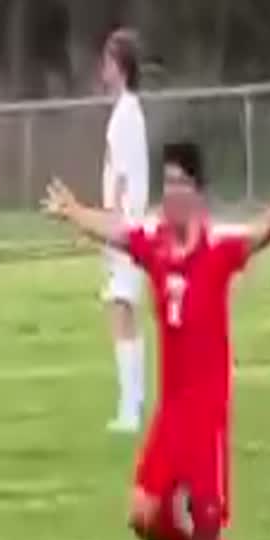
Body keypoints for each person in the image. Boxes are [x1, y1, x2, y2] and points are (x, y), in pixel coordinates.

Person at [44, 138, 270, 540]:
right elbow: (118, 230)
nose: (172, 194)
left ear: (198, 192)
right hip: (172, 411)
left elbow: (263, 233)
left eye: (181, 184)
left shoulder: (217, 250)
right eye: (166, 184)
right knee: (143, 518)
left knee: (209, 527)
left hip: (207, 414)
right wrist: (75, 213)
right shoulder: (156, 245)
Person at [99, 28, 150, 432]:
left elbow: (121, 177)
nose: (103, 69)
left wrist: (111, 225)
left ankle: (130, 407)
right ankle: (133, 400)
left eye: (109, 61)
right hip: (129, 225)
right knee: (124, 309)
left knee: (120, 310)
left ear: (121, 67)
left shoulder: (125, 116)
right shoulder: (128, 112)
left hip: (126, 227)